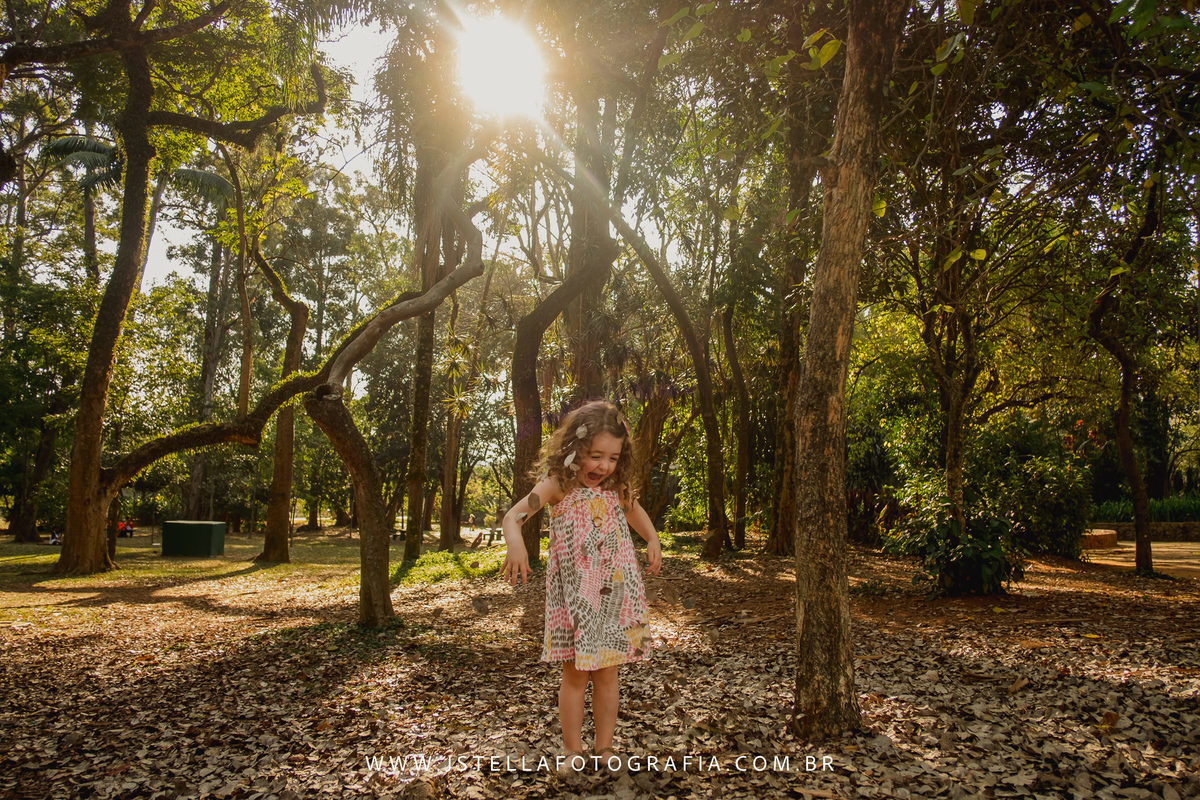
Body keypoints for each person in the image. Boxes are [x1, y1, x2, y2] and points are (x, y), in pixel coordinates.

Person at [501, 400, 662, 773]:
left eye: (612, 458)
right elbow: (514, 516)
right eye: (594, 456)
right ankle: (572, 751)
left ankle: (604, 748)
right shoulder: (558, 486)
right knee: (575, 674)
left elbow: (634, 510)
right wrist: (516, 543)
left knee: (608, 674)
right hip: (578, 600)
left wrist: (652, 538)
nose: (603, 466)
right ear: (574, 449)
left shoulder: (616, 487)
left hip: (616, 594)